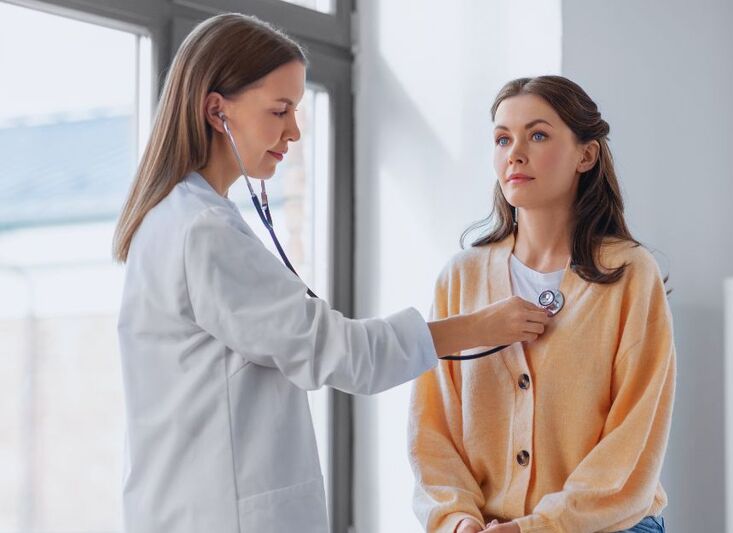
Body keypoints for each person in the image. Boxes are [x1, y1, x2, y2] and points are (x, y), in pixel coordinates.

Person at [113, 13, 549, 533]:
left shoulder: (175, 219)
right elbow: (337, 352)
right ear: (216, 111)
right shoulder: (203, 231)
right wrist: (478, 326)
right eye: (280, 110)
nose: (294, 131)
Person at [408, 76, 676, 533]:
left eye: (537, 135)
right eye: (501, 138)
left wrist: (537, 528)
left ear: (585, 155)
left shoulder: (630, 272)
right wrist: (457, 521)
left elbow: (634, 437)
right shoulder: (461, 277)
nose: (514, 153)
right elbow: (432, 429)